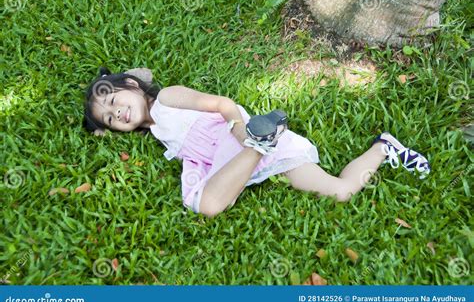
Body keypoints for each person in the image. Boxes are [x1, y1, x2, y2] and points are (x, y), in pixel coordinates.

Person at [83, 67, 431, 218]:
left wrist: (238, 128)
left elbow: (220, 103)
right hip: (221, 162)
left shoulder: (169, 99)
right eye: (111, 120)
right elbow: (107, 121)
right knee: (200, 203)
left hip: (233, 136)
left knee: (340, 192)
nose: (119, 115)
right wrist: (97, 127)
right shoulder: (158, 132)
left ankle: (383, 147)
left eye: (115, 102)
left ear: (131, 84)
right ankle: (258, 148)